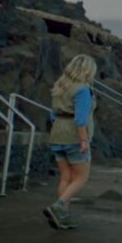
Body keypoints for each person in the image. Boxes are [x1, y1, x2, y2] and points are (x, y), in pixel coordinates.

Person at [43, 54, 97, 230]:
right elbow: (80, 119)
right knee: (81, 177)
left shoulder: (60, 86)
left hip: (57, 133)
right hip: (74, 136)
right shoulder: (83, 89)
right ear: (88, 70)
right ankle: (58, 206)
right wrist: (83, 140)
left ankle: (63, 216)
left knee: (66, 177)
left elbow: (52, 114)